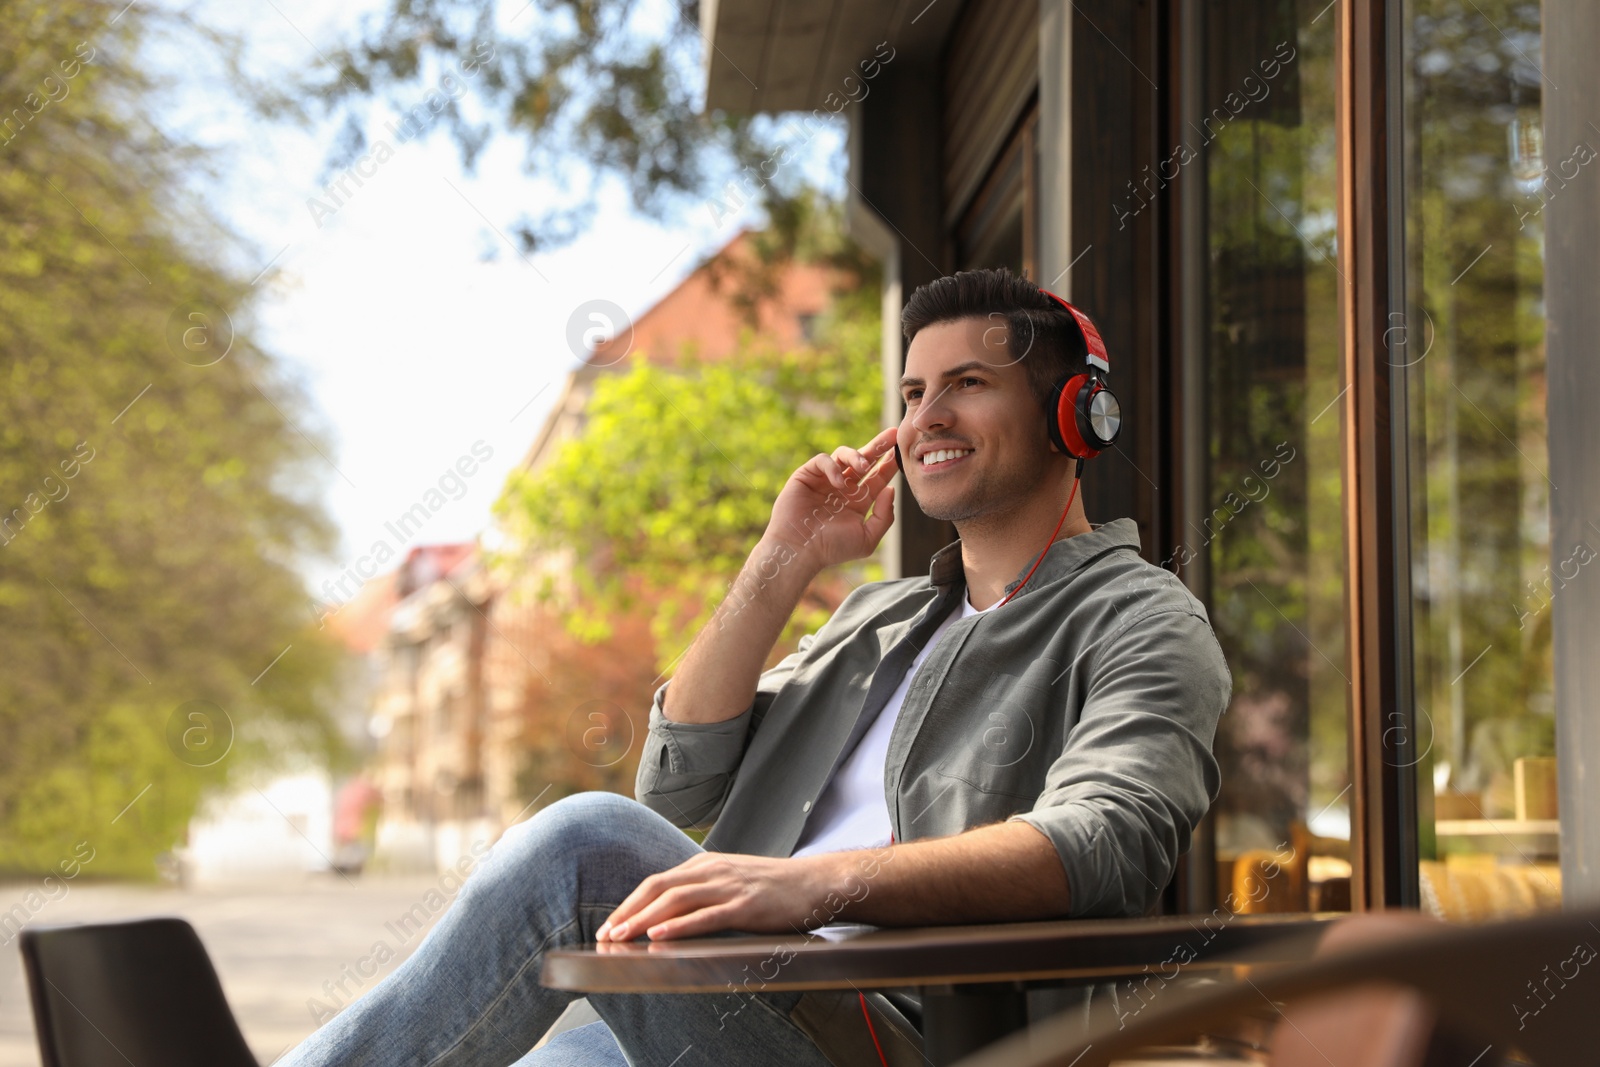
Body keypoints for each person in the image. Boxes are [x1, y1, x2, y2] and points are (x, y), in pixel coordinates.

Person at [278, 268, 1231, 1066]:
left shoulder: (1142, 621)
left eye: (967, 383)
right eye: (911, 394)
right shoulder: (881, 618)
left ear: (1076, 414)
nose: (924, 417)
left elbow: (1106, 841)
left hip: (897, 1035)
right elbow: (677, 779)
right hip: (731, 1004)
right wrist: (783, 560)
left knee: (583, 844)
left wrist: (811, 887)